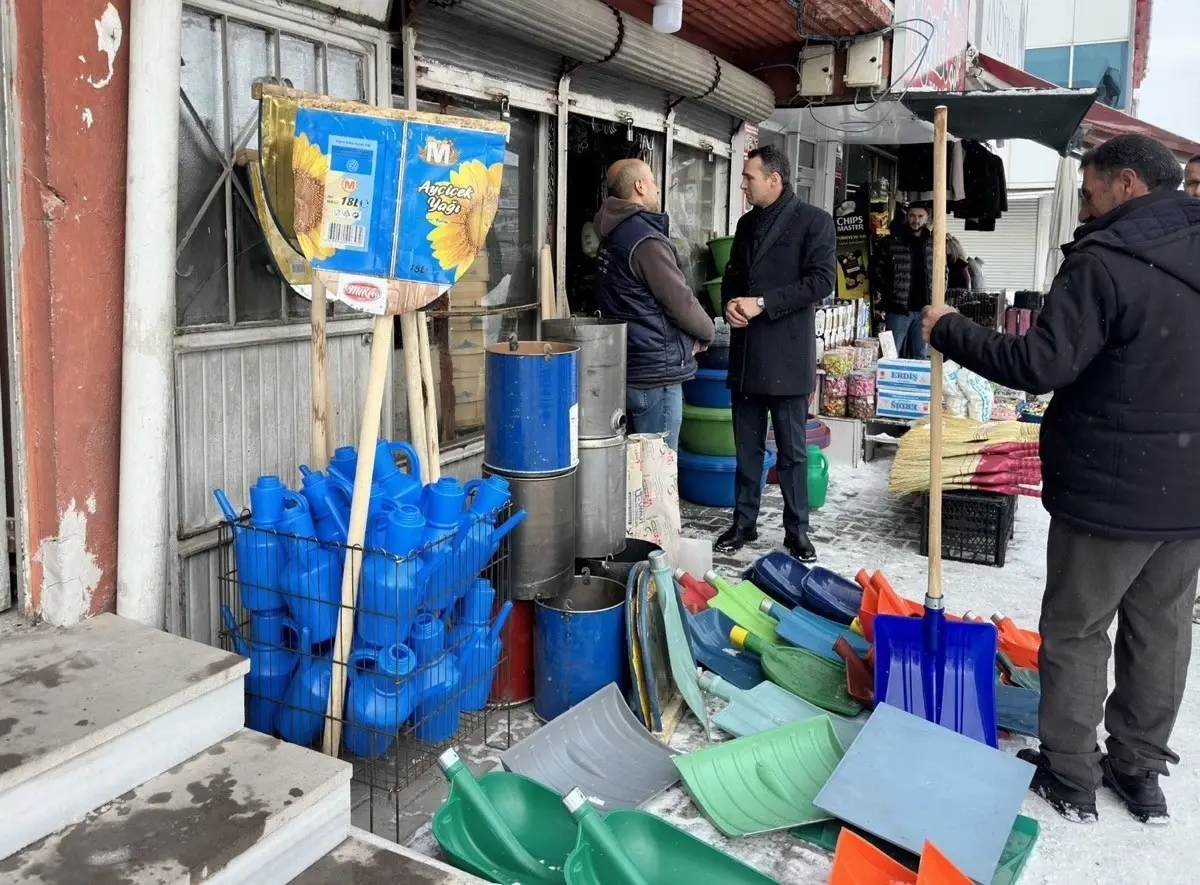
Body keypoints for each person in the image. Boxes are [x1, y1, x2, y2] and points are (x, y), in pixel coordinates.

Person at [921, 133, 1200, 825]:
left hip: (1111, 489)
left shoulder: (1106, 259)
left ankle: (1071, 773)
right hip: (1188, 490)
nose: (1084, 201)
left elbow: (1042, 363)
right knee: (1161, 629)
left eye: (1090, 187)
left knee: (1077, 628)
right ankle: (1138, 768)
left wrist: (950, 328)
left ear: (1127, 182)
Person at [712, 145, 836, 562]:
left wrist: (761, 303)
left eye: (749, 177)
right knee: (745, 449)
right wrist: (730, 304)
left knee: (792, 453)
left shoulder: (815, 222)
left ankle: (797, 531)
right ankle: (743, 522)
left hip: (786, 356)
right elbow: (732, 278)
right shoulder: (747, 224)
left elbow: (821, 282)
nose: (743, 184)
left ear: (774, 180)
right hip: (746, 356)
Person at [594, 159, 716, 450]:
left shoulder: (611, 235)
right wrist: (707, 331)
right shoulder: (645, 239)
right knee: (656, 472)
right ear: (639, 186)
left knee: (632, 470)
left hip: (627, 367)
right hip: (654, 373)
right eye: (652, 180)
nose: (657, 187)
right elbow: (679, 301)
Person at [873, 204, 935, 359]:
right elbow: (875, 269)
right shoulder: (892, 241)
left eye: (920, 216)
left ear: (927, 219)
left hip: (925, 309)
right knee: (891, 353)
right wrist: (890, 293)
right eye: (913, 216)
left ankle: (918, 383)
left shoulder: (933, 243)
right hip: (899, 308)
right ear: (907, 217)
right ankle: (888, 384)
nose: (916, 220)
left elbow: (943, 271)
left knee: (920, 355)